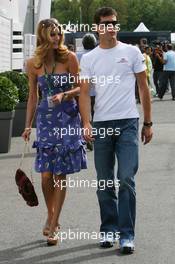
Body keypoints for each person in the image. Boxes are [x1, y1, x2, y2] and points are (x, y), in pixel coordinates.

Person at [79, 7, 153, 254]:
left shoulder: (131, 52)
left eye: (114, 23)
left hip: (128, 124)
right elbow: (84, 94)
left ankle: (127, 235)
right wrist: (86, 123)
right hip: (101, 125)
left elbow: (143, 89)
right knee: (104, 182)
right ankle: (108, 230)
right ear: (97, 28)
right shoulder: (88, 59)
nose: (111, 27)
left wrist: (148, 122)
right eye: (106, 23)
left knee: (126, 180)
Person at [22, 18, 87, 246]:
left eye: (59, 33)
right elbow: (32, 96)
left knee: (60, 173)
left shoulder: (69, 58)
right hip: (46, 122)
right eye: (53, 34)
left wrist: (66, 95)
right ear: (43, 36)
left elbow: (82, 87)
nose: (58, 37)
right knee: (46, 174)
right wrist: (28, 124)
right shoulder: (33, 64)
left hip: (67, 118)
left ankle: (55, 223)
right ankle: (50, 215)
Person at [76, 33, 97, 151]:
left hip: (80, 91)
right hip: (95, 91)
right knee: (95, 115)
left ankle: (84, 136)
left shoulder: (77, 56)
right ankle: (93, 136)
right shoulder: (98, 55)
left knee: (82, 116)